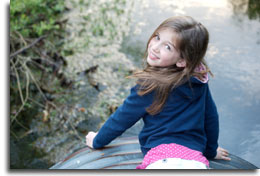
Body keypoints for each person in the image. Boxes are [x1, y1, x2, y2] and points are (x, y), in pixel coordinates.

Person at [85, 16, 231, 169]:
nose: (155, 47)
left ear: (182, 60)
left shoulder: (150, 84)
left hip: (162, 161)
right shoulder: (198, 80)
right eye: (157, 37)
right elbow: (211, 117)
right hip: (195, 161)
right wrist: (210, 150)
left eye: (167, 47)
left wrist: (97, 141)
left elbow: (123, 117)